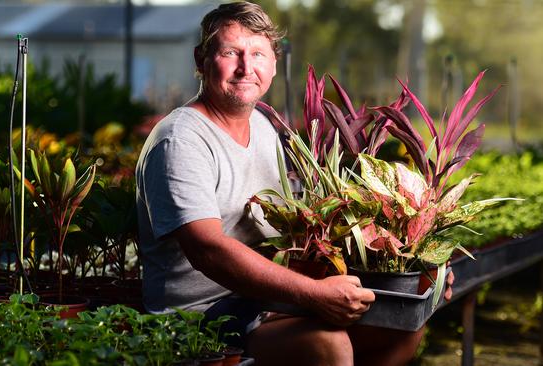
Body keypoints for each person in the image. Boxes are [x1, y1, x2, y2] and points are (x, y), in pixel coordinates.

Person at [135, 2, 452, 365]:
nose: (245, 67)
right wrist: (314, 293)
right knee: (328, 345)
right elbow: (209, 251)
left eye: (257, 54)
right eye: (230, 52)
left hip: (264, 298)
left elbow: (289, 229)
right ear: (201, 59)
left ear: (273, 64)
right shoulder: (181, 140)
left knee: (403, 327)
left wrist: (427, 272)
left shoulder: (264, 129)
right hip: (199, 314)